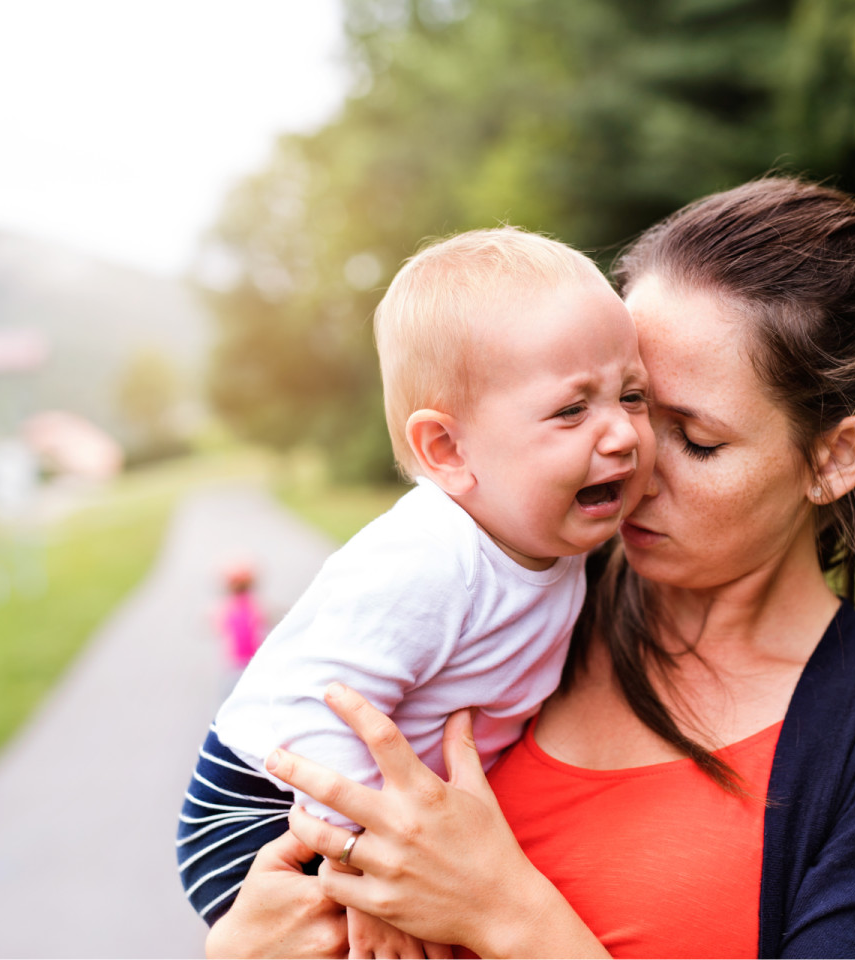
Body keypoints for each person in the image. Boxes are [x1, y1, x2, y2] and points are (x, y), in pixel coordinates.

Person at [206, 178, 855, 959]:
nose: (628, 457)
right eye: (623, 402)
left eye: (695, 438)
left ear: (835, 458)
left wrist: (508, 914)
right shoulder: (521, 602)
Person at [177, 227, 654, 956]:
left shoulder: (556, 538)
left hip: (363, 804)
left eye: (632, 394)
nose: (621, 433)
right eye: (572, 410)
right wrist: (359, 859)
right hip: (262, 804)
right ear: (448, 451)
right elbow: (327, 713)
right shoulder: (430, 559)